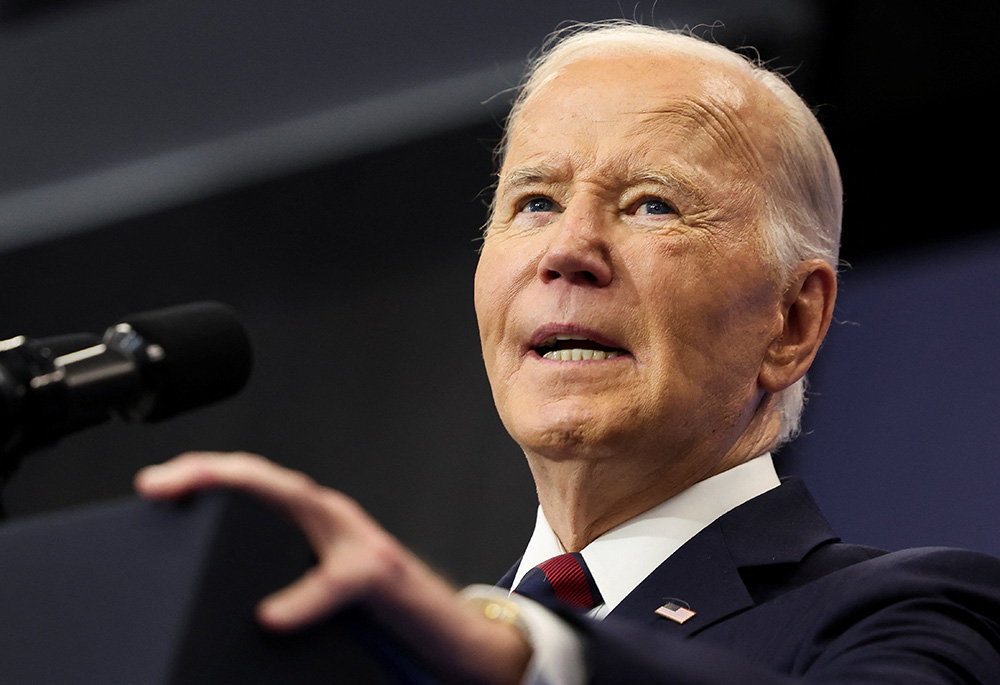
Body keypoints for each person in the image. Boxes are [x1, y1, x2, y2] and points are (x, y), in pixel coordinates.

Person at [135, 21, 1000, 684]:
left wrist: (525, 653)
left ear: (791, 323)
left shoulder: (917, 612)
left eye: (653, 205)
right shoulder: (389, 655)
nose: (568, 249)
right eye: (536, 201)